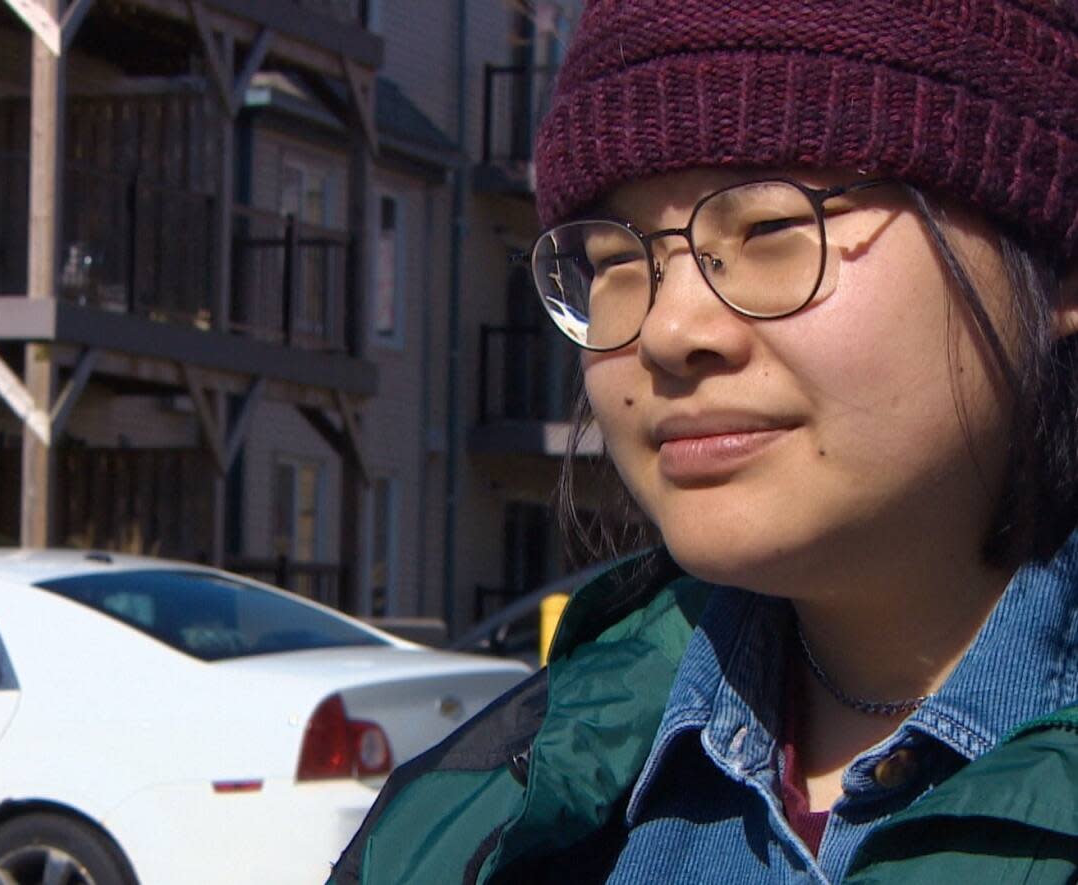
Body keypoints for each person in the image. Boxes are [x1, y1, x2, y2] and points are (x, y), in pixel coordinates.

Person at [330, 1, 1078, 882]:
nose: (668, 328)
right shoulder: (481, 824)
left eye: (769, 227)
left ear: (1058, 264)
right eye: (613, 257)